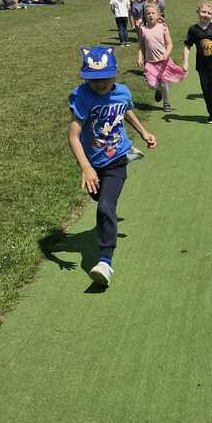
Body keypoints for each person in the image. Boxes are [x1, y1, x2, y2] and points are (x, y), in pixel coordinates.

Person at [68, 46, 156, 287]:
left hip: (115, 160)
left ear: (115, 73)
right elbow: (73, 136)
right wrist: (86, 168)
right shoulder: (82, 97)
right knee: (98, 198)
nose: (100, 84)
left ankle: (105, 261)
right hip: (94, 162)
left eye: (105, 78)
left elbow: (127, 111)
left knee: (106, 206)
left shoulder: (122, 92)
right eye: (94, 79)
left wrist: (144, 132)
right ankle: (128, 155)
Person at [137, 5, 185, 112]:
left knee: (164, 83)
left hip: (163, 62)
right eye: (148, 13)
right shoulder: (143, 29)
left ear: (158, 15)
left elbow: (169, 44)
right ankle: (158, 90)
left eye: (153, 13)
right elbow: (141, 45)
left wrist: (167, 54)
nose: (150, 15)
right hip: (150, 63)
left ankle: (166, 103)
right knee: (151, 85)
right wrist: (140, 57)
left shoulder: (163, 27)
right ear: (145, 16)